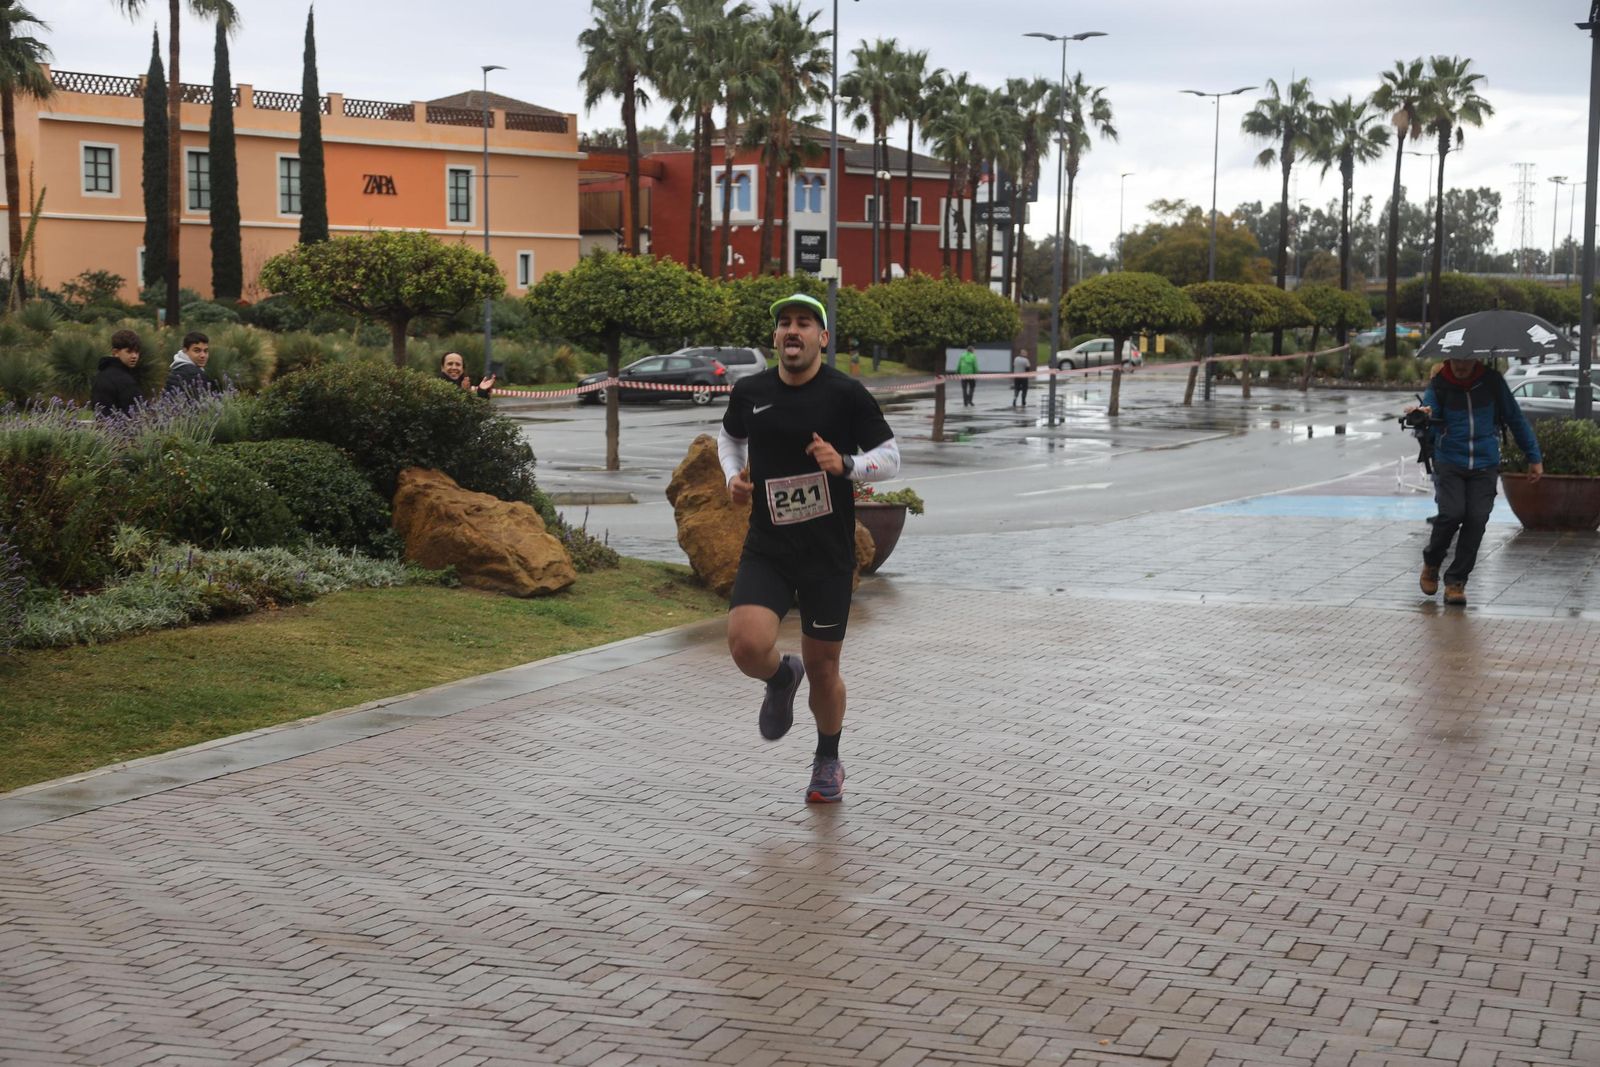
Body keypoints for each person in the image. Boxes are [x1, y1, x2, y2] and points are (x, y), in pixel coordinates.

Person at [718, 293, 901, 804]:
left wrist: (845, 463)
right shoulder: (750, 390)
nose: (792, 330)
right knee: (746, 646)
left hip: (827, 554)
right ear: (776, 338)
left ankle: (827, 759)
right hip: (769, 545)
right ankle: (781, 676)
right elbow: (728, 438)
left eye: (804, 323)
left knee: (825, 668)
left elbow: (889, 457)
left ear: (822, 338)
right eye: (784, 324)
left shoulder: (846, 394)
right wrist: (733, 476)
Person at [1408, 355, 1543, 606]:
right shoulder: (1439, 384)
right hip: (1450, 461)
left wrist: (1533, 456)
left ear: (1477, 360)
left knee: (1477, 518)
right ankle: (1432, 562)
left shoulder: (1492, 382)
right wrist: (1423, 414)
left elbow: (1514, 418)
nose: (1461, 366)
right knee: (1451, 513)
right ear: (1448, 359)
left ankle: (1456, 582)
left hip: (1485, 463)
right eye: (1456, 361)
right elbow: (1428, 412)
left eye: (1467, 361)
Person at [91, 329, 142, 416]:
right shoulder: (124, 380)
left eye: (136, 352)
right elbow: (134, 412)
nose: (134, 356)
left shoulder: (101, 374)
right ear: (115, 352)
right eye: (129, 352)